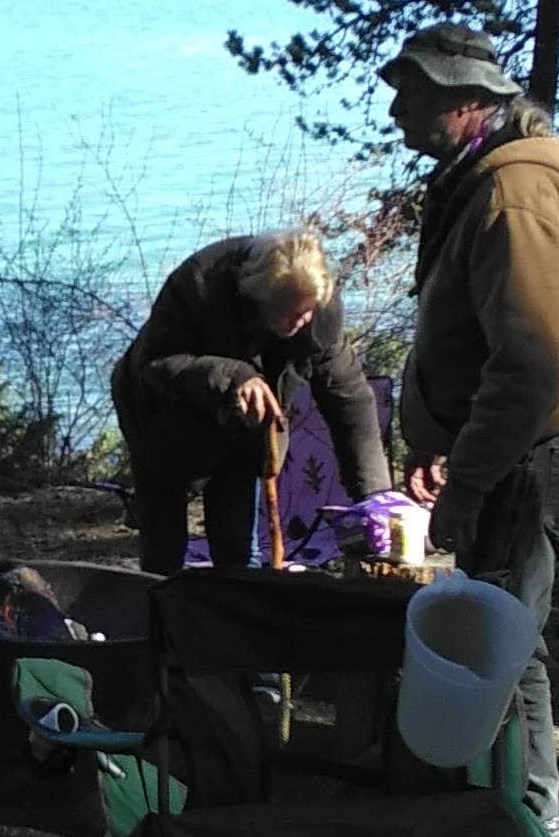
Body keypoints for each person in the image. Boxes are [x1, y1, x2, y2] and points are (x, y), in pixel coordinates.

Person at [379, 22, 559, 837]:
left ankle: (529, 836)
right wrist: (443, 443)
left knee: (509, 650)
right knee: (503, 642)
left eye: (415, 92)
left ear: (468, 101)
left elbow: (529, 366)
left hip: (530, 463)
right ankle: (503, 818)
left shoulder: (514, 194)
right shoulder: (479, 178)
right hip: (507, 454)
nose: (397, 106)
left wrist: (470, 479)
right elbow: (479, 347)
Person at [110, 230, 392, 577]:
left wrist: (375, 495)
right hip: (161, 416)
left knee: (236, 545)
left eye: (308, 313)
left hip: (244, 432)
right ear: (260, 301)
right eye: (291, 314)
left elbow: (348, 397)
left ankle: (235, 616)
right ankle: (161, 618)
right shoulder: (199, 282)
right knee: (163, 547)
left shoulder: (318, 310)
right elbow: (155, 362)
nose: (303, 321)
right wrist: (234, 379)